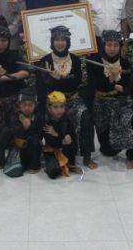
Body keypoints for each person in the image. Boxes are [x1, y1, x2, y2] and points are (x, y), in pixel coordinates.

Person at [35, 26, 96, 168]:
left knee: (86, 116)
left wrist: (58, 79)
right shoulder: (45, 61)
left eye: (63, 40)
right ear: (52, 41)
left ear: (67, 42)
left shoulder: (74, 59)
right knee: (42, 120)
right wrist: (52, 80)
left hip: (72, 99)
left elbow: (77, 81)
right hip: (53, 104)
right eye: (57, 40)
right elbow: (42, 86)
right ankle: (45, 153)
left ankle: (86, 156)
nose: (60, 43)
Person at [85, 31, 133, 168]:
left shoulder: (125, 63)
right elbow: (92, 86)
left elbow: (130, 88)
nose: (112, 48)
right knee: (109, 151)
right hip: (100, 102)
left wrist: (123, 89)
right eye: (109, 45)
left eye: (116, 45)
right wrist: (111, 79)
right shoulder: (94, 61)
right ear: (103, 45)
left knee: (130, 115)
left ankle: (130, 156)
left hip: (119, 101)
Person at [0, 26, 29, 127]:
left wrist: (2, 77)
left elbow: (25, 73)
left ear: (8, 41)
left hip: (15, 96)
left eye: (3, 40)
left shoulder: (15, 55)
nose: (0, 44)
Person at [43, 91, 83, 179]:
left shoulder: (68, 120)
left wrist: (58, 135)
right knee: (53, 173)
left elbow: (73, 138)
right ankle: (57, 165)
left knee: (72, 143)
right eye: (55, 107)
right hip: (52, 151)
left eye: (61, 107)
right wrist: (61, 139)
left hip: (66, 149)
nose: (59, 110)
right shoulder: (46, 122)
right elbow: (51, 142)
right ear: (49, 108)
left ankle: (70, 164)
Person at [9, 88, 43, 174]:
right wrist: (23, 128)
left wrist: (29, 129)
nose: (27, 108)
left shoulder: (39, 117)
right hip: (19, 147)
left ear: (35, 105)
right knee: (18, 168)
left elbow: (40, 134)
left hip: (33, 147)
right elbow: (13, 131)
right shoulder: (14, 116)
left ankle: (34, 165)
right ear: (19, 105)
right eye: (24, 105)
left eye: (30, 105)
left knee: (34, 142)